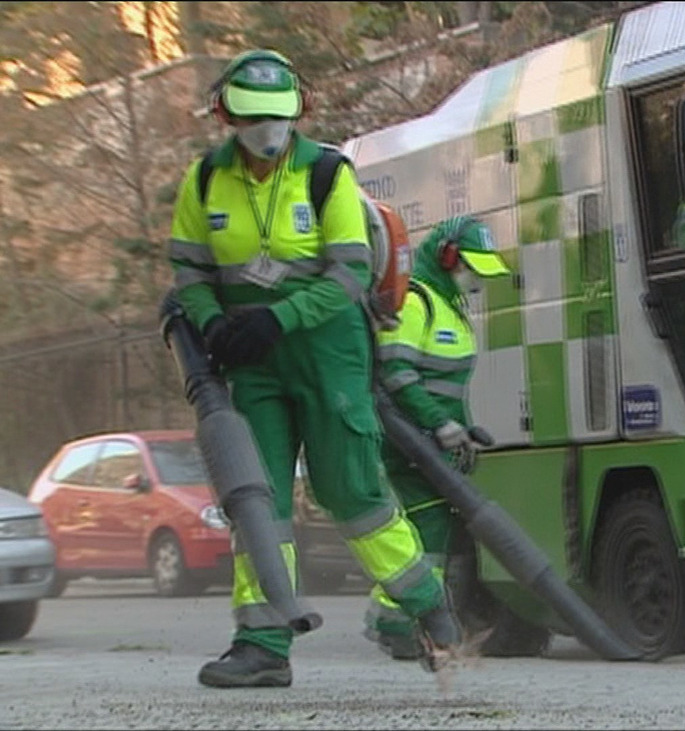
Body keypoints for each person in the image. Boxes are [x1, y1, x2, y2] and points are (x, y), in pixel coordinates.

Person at [167, 48, 459, 688]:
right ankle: (263, 643)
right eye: (254, 118)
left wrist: (279, 318)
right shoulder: (205, 181)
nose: (268, 131)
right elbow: (187, 271)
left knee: (348, 490)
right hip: (249, 354)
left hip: (326, 346)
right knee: (256, 498)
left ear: (297, 113)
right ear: (226, 115)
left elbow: (350, 273)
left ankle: (429, 607)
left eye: (279, 117)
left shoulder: (327, 174)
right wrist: (213, 321)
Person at [363, 215, 509, 660]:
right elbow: (397, 373)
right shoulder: (417, 302)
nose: (475, 280)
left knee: (434, 529)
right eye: (470, 268)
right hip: (408, 443)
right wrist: (438, 425)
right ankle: (393, 620)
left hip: (432, 443)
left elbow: (448, 387)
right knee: (426, 528)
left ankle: (404, 618)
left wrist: (462, 428)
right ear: (447, 256)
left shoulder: (452, 309)